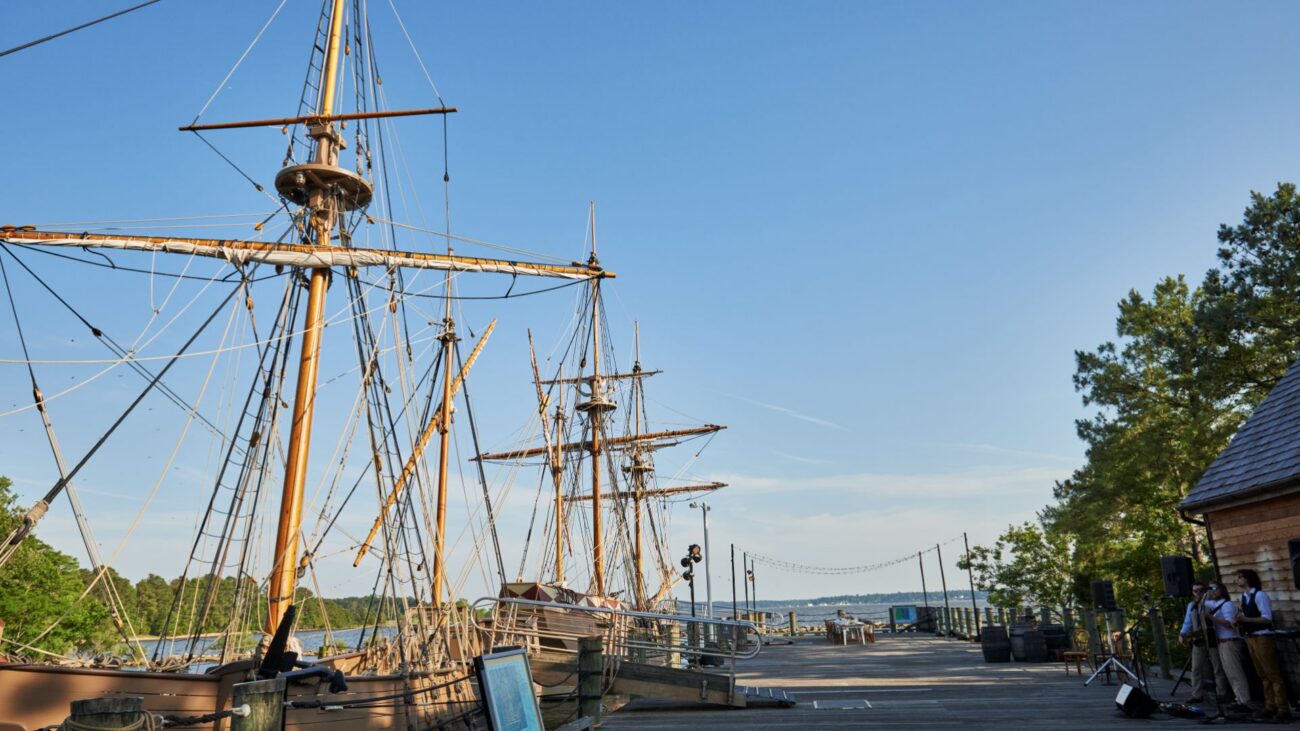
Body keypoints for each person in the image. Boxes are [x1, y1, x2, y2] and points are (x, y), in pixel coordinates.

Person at [1234, 568, 1291, 722]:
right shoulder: (1244, 597)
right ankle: (1270, 705)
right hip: (1251, 637)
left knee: (1272, 673)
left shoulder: (1259, 595)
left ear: (1247, 579)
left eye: (1240, 577)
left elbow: (1266, 618)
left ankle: (1283, 708)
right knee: (1262, 674)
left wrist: (1245, 620)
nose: (1237, 580)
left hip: (1263, 636)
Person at [1203, 582, 1252, 710]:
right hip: (1222, 642)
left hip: (1230, 641)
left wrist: (1212, 618)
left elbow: (1231, 624)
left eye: (1214, 588)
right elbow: (1203, 604)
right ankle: (1239, 699)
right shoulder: (1215, 604)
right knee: (1230, 673)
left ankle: (1244, 700)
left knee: (1236, 672)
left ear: (1222, 590)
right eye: (1210, 589)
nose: (1212, 591)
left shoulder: (1227, 605)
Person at [1178, 581, 1230, 703]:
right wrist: (1182, 634)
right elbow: (1187, 622)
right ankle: (1197, 695)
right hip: (1198, 639)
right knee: (1196, 668)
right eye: (1195, 591)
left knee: (1217, 667)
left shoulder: (1211, 604)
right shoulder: (1192, 605)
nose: (1198, 593)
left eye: (1201, 590)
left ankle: (1221, 694)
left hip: (1212, 638)